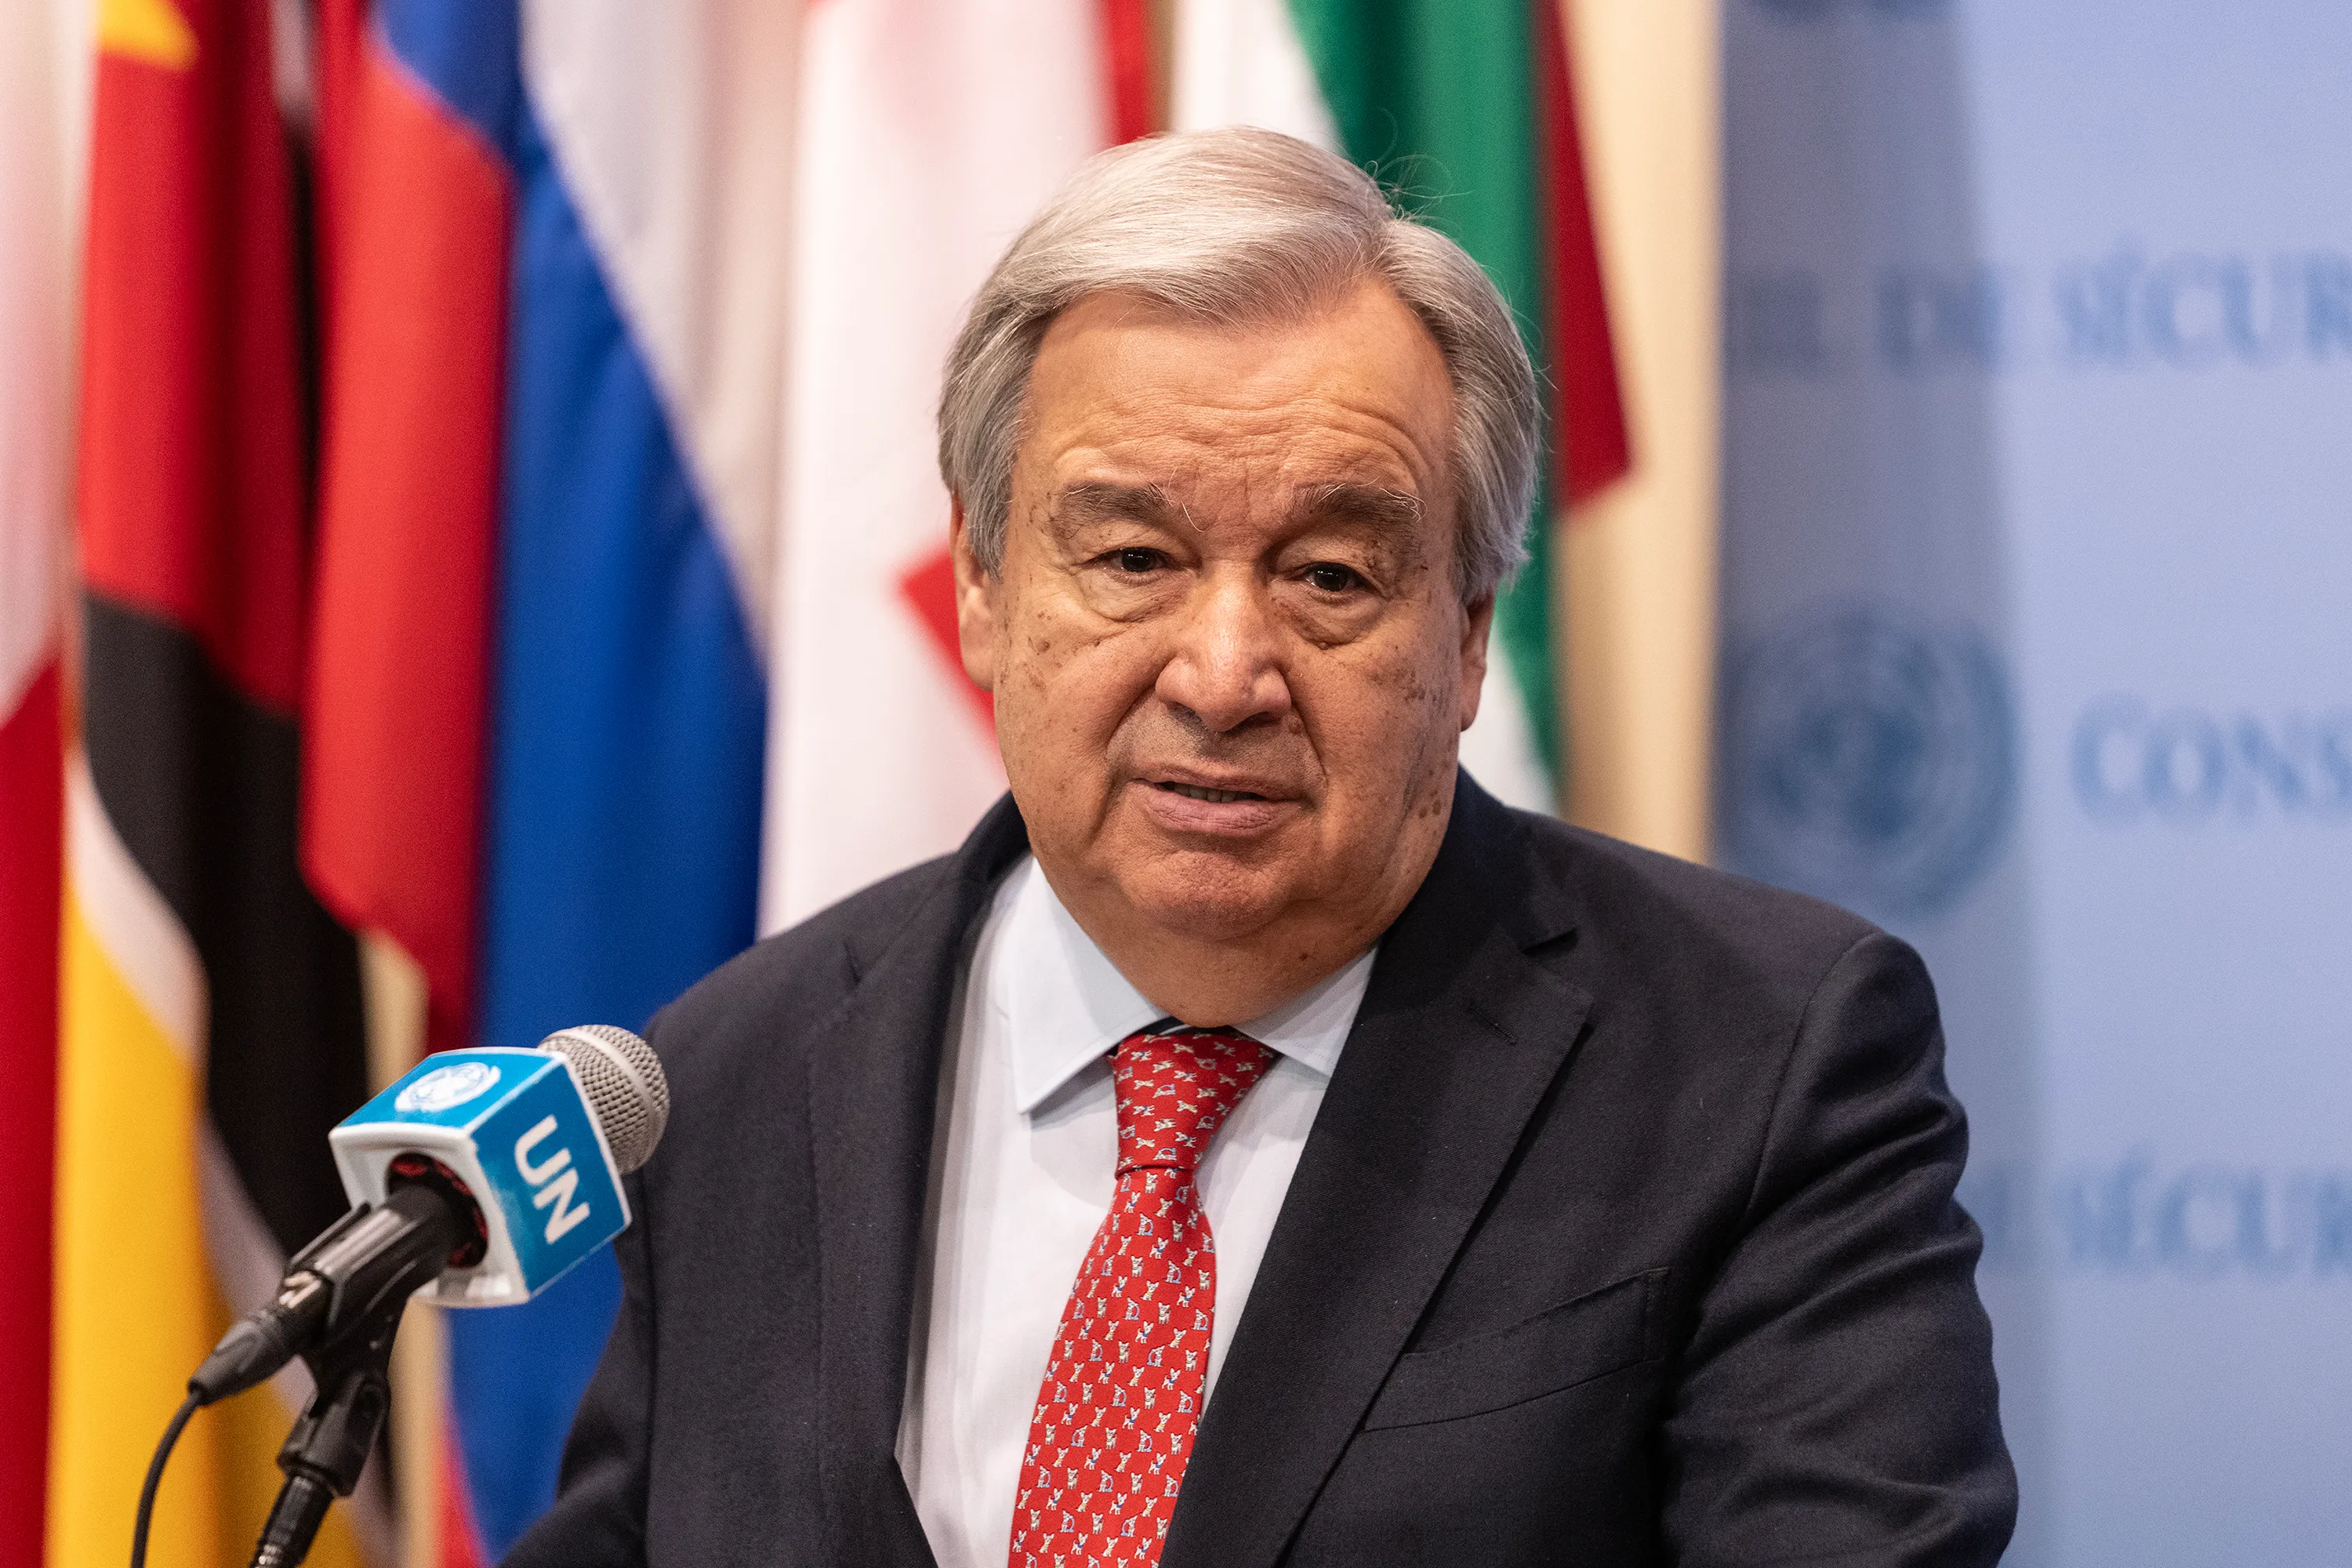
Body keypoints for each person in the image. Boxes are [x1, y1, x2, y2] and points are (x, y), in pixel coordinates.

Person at [507, 127, 2015, 1567]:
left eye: (1332, 575)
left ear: (1470, 632)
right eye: (1134, 559)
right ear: (979, 579)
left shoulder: (1761, 1066)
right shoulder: (736, 1078)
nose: (1225, 674)